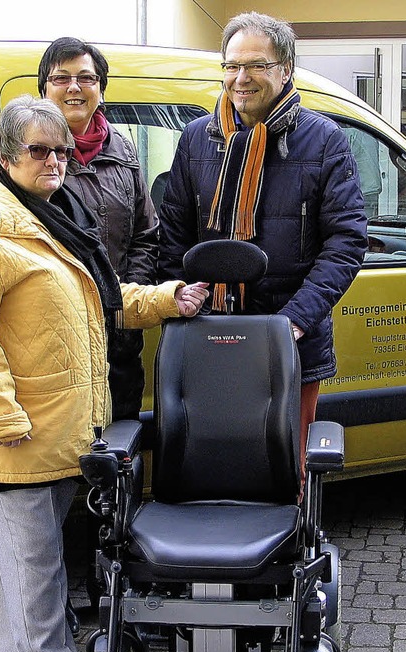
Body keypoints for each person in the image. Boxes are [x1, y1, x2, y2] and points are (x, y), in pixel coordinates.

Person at [0, 95, 208, 652]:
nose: (54, 160)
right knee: (37, 564)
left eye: (60, 149)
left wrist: (168, 298)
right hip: (15, 433)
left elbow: (100, 298)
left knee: (26, 557)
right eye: (38, 150)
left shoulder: (52, 217)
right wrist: (1, 418)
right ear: (5, 157)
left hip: (61, 427)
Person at [157, 11, 367, 479]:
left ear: (285, 69)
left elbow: (346, 241)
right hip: (207, 335)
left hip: (288, 341)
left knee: (284, 469)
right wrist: (180, 296)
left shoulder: (324, 140)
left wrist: (295, 319)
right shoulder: (196, 138)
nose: (241, 78)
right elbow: (173, 232)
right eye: (231, 65)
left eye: (256, 65)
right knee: (213, 466)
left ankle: (287, 547)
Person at [37, 37, 158, 422]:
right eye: (61, 78)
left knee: (120, 454)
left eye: (86, 78)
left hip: (120, 345)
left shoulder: (122, 150)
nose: (74, 87)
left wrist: (123, 305)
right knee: (67, 462)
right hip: (56, 349)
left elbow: (146, 235)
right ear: (44, 89)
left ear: (100, 89)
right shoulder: (24, 156)